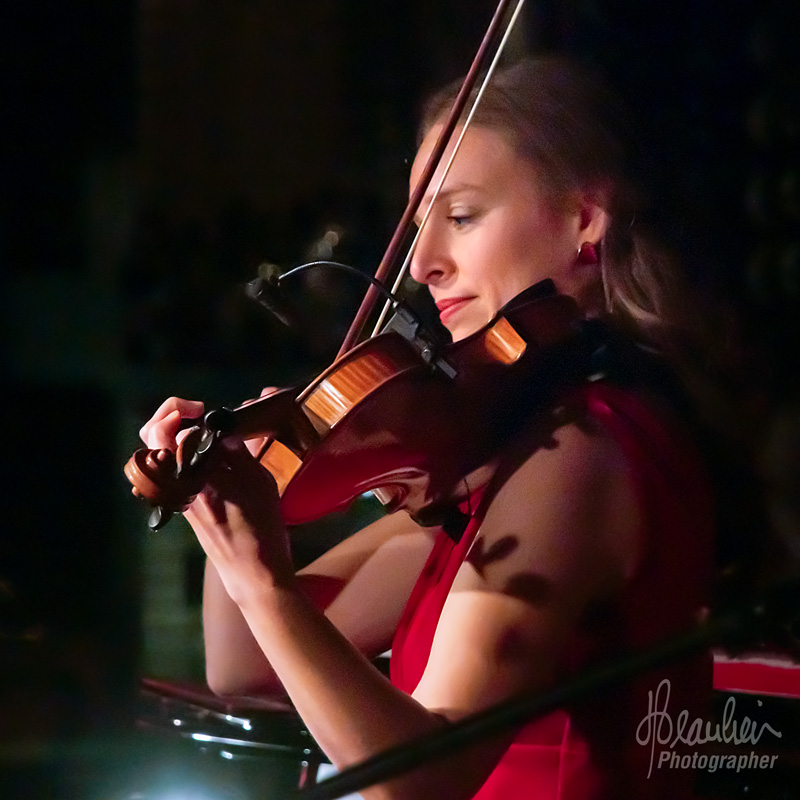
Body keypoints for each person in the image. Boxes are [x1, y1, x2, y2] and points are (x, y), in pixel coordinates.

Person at [139, 58, 738, 799]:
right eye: (419, 227)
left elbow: (421, 779)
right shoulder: (503, 460)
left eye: (461, 216)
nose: (422, 265)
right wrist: (237, 517)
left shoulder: (579, 455)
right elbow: (247, 671)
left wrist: (264, 580)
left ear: (585, 219)